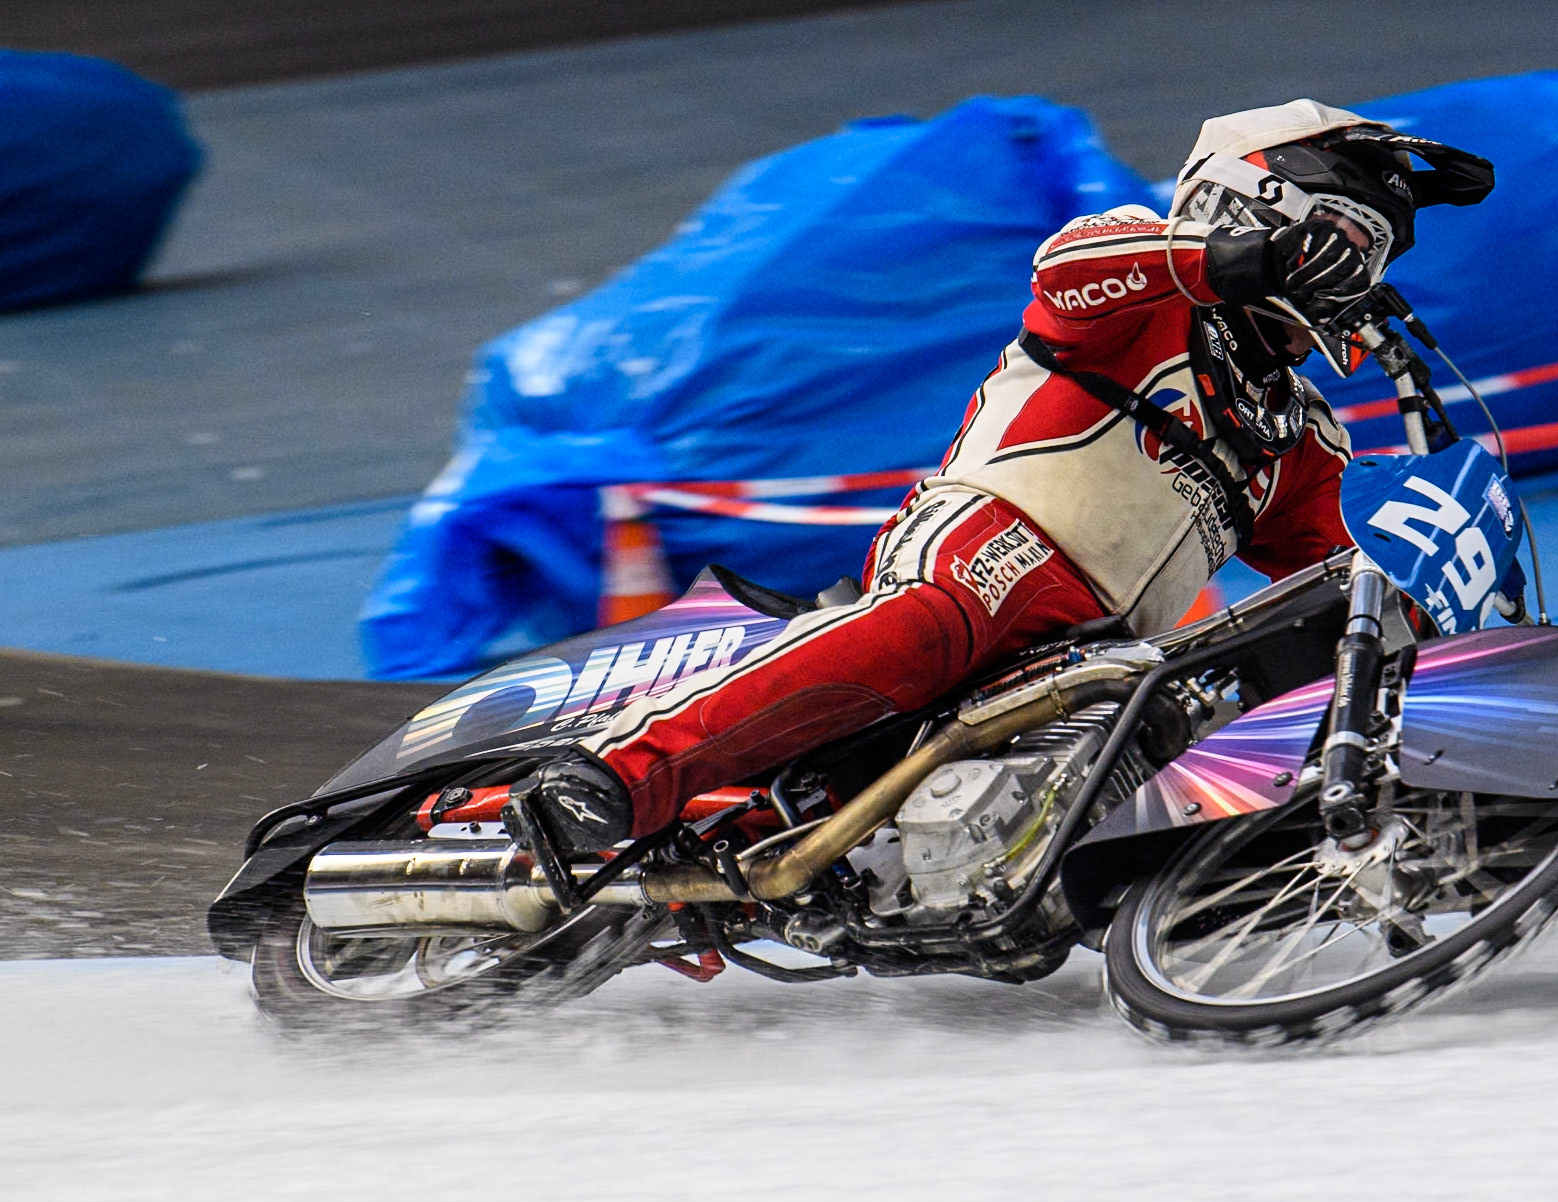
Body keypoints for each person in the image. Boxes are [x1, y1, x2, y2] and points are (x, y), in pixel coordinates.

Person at [504, 99, 1494, 857]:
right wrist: (1228, 252)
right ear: (1259, 201)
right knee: (951, 614)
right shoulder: (1139, 284)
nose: (1348, 277)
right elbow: (1069, 270)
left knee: (1213, 704)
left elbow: (1344, 571)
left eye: (1364, 259)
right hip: (994, 544)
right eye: (1342, 239)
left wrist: (1456, 653)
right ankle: (615, 772)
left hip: (1100, 654)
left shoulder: (1297, 434)